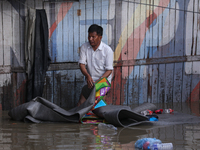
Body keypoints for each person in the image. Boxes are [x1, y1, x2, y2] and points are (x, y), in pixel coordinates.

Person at [77, 24, 114, 106]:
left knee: (98, 106)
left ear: (100, 37)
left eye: (93, 37)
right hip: (90, 80)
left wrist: (99, 82)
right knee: (81, 104)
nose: (90, 39)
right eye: (89, 36)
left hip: (103, 81)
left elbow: (109, 70)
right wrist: (87, 76)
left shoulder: (107, 50)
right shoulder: (84, 47)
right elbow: (82, 64)